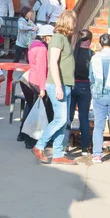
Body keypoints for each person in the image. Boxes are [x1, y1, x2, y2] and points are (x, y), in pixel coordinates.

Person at [32, 10, 77, 165]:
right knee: (61, 119)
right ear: (68, 22)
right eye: (73, 22)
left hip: (66, 84)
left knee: (63, 121)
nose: (75, 25)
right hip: (58, 84)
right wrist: (58, 86)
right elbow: (53, 63)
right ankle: (40, 145)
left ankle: (58, 154)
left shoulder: (63, 38)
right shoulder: (58, 38)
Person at [17, 24, 55, 149]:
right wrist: (43, 88)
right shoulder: (42, 48)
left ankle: (22, 134)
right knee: (38, 112)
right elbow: (41, 69)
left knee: (30, 107)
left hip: (29, 79)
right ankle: (30, 140)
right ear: (46, 37)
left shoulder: (33, 44)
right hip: (38, 81)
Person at [89, 34, 110, 164]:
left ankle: (97, 154)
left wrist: (94, 87)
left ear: (100, 43)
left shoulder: (94, 58)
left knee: (99, 125)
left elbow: (91, 78)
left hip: (98, 95)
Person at [70, 29, 93, 155]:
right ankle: (85, 147)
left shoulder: (73, 53)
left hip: (72, 84)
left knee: (68, 116)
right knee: (84, 117)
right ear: (89, 40)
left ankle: (64, 145)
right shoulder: (92, 54)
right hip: (85, 86)